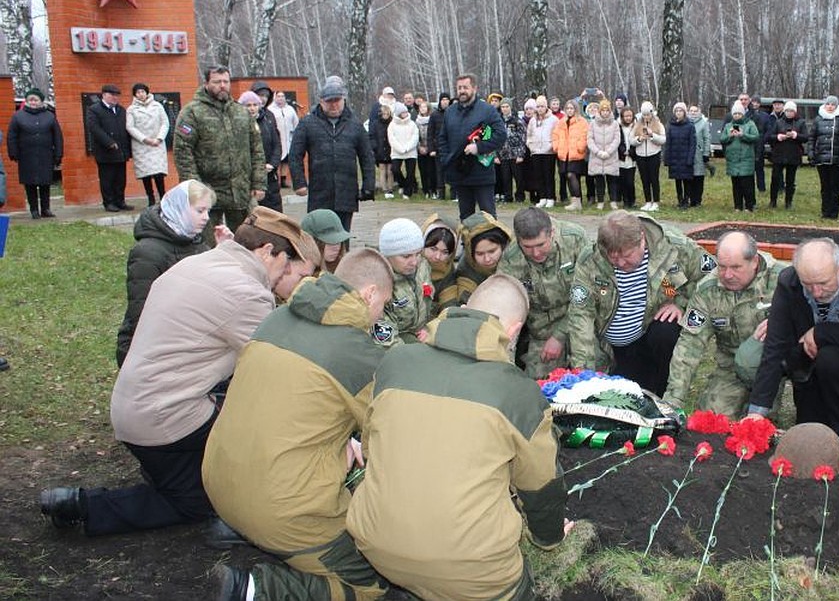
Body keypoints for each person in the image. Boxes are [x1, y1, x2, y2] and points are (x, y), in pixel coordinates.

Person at [39, 208, 319, 536]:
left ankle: (158, 475)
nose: (296, 285)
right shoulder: (247, 292)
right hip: (163, 420)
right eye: (296, 274)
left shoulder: (199, 263)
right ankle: (86, 507)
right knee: (203, 497)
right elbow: (280, 374)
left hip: (135, 406)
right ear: (268, 253)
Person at [346, 274, 569, 601]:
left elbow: (370, 445)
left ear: (464, 309)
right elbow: (539, 485)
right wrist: (549, 537)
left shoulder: (396, 361)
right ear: (513, 330)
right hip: (471, 566)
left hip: (374, 542)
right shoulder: (518, 392)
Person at [204, 249, 394, 601]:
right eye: (382, 303)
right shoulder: (357, 351)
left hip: (218, 483)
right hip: (283, 510)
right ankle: (260, 589)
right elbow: (395, 433)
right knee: (377, 583)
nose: (380, 315)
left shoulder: (274, 320)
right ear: (369, 294)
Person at [747, 238, 839, 454]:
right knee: (809, 439)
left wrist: (824, 332)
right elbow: (775, 346)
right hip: (805, 365)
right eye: (808, 284)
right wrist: (757, 412)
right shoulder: (789, 281)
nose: (816, 292)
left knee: (831, 357)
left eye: (823, 283)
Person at [567, 210, 715, 394]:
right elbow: (580, 316)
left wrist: (681, 303)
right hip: (611, 347)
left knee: (665, 332)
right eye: (613, 257)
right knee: (623, 393)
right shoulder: (591, 259)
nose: (621, 263)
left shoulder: (675, 247)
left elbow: (712, 277)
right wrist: (584, 375)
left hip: (651, 334)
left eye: (627, 255)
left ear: (642, 239)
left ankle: (665, 385)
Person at [664, 231, 788, 416]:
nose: (727, 275)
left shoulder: (783, 280)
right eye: (722, 266)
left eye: (736, 267)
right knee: (712, 420)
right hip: (731, 366)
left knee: (758, 427)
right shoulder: (707, 290)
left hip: (773, 363)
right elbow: (689, 345)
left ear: (754, 261)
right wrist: (673, 401)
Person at [116, 180, 222, 367]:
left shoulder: (197, 244)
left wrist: (223, 252)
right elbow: (140, 312)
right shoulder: (147, 252)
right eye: (200, 211)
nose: (206, 217)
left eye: (208, 211)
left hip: (186, 340)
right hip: (151, 349)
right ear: (178, 208)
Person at [497, 206, 591, 379]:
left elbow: (588, 297)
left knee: (590, 375)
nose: (536, 253)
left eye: (541, 244)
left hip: (582, 320)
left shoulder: (575, 239)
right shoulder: (510, 259)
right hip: (542, 331)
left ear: (552, 232)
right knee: (537, 387)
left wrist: (560, 336)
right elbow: (504, 306)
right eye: (528, 247)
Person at [175, 66, 266, 244]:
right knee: (209, 244)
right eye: (217, 82)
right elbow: (182, 151)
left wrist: (259, 182)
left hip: (240, 190)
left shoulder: (241, 112)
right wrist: (194, 187)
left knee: (248, 241)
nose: (222, 86)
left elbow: (256, 149)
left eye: (226, 81)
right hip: (208, 190)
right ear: (207, 83)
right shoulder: (192, 112)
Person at [290, 76, 374, 232]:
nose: (334, 105)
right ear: (321, 102)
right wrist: (299, 182)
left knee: (343, 236)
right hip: (319, 191)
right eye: (329, 101)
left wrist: (368, 186)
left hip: (346, 192)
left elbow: (367, 157)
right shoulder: (307, 123)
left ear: (344, 100)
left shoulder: (355, 124)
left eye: (337, 100)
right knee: (320, 236)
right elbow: (295, 155)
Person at [439, 73, 507, 220]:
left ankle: (492, 242)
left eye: (465, 87)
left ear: (474, 88)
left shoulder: (487, 110)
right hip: (459, 173)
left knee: (488, 216)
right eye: (459, 88)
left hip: (482, 173)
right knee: (465, 216)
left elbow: (501, 134)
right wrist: (446, 158)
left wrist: (479, 147)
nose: (462, 91)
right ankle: (467, 243)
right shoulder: (450, 112)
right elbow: (442, 138)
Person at [373, 217, 434, 346]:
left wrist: (432, 328)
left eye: (418, 254)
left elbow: (430, 304)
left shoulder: (423, 267)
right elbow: (388, 343)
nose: (414, 262)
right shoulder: (378, 286)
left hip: (422, 334)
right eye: (406, 256)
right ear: (387, 255)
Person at [6, 88, 63, 219]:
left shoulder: (49, 116)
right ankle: (34, 210)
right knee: (30, 183)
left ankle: (45, 208)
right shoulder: (18, 116)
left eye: (35, 100)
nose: (33, 102)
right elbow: (12, 136)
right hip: (26, 155)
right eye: (30, 99)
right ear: (26, 101)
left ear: (41, 101)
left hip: (45, 154)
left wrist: (58, 153)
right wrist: (13, 152)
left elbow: (57, 136)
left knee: (45, 182)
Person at [86, 84, 134, 213]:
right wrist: (109, 142)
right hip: (105, 152)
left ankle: (120, 201)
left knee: (120, 178)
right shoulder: (94, 109)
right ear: (104, 95)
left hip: (121, 150)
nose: (114, 98)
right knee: (107, 178)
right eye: (112, 95)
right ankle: (109, 202)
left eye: (117, 95)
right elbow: (94, 128)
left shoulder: (121, 110)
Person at [453, 211, 514, 305]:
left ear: (503, 245)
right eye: (480, 254)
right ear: (470, 252)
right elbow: (466, 303)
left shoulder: (516, 257)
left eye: (492, 251)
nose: (487, 259)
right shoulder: (465, 270)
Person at [238, 91, 284, 212]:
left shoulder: (267, 122)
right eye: (248, 105)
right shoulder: (237, 127)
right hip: (248, 179)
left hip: (269, 177)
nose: (252, 108)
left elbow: (277, 145)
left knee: (274, 215)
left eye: (255, 105)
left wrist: (273, 164)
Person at [125, 83, 170, 206]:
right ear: (135, 94)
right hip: (142, 145)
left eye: (143, 92)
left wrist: (159, 138)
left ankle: (162, 196)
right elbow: (130, 127)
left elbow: (165, 123)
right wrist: (145, 139)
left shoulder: (157, 106)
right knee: (146, 174)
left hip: (157, 144)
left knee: (158, 173)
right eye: (138, 92)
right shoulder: (131, 109)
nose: (141, 94)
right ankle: (150, 198)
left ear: (147, 92)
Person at [809, 96, 839, 219]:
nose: (830, 107)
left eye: (833, 105)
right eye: (828, 104)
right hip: (821, 158)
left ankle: (834, 213)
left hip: (836, 159)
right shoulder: (818, 119)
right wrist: (812, 154)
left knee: (835, 187)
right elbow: (812, 138)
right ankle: (825, 211)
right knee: (824, 186)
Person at [767, 100, 806, 210]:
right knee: (775, 179)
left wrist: (796, 135)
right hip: (779, 154)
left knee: (790, 180)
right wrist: (778, 137)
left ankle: (788, 202)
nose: (789, 113)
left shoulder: (801, 122)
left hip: (793, 155)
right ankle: (772, 201)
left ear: (795, 112)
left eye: (791, 111)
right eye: (787, 111)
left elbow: (806, 137)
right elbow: (770, 137)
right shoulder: (778, 122)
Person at [551, 98, 588, 211]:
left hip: (576, 153)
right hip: (564, 153)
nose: (569, 110)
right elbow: (555, 135)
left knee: (572, 175)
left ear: (576, 109)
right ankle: (575, 200)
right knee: (567, 176)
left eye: (572, 108)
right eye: (567, 108)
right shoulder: (561, 122)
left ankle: (577, 200)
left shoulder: (582, 122)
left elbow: (585, 135)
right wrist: (556, 147)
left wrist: (580, 147)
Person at [721, 101, 759, 212]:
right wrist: (730, 136)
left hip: (746, 159)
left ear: (743, 114)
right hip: (733, 159)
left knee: (747, 184)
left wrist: (743, 135)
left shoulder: (750, 124)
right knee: (736, 184)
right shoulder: (728, 126)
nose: (737, 116)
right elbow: (722, 139)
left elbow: (756, 137)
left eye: (739, 114)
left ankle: (749, 206)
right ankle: (737, 206)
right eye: (735, 114)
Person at [586, 99, 621, 210]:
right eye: (603, 110)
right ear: (599, 111)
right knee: (599, 181)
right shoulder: (593, 123)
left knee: (612, 181)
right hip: (597, 156)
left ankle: (613, 201)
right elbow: (590, 139)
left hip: (611, 156)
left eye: (607, 110)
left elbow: (617, 139)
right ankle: (600, 201)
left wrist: (609, 152)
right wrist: (598, 152)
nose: (605, 112)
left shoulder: (615, 124)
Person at [422, 214, 460, 313]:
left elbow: (449, 304)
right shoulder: (408, 264)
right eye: (433, 249)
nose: (438, 257)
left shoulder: (448, 271)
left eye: (445, 252)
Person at [663, 102, 698, 210]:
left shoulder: (690, 126)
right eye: (676, 111)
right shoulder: (671, 126)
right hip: (674, 157)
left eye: (680, 111)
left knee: (686, 180)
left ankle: (686, 200)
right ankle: (679, 199)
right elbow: (668, 143)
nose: (678, 113)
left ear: (684, 112)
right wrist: (666, 158)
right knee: (677, 180)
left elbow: (693, 144)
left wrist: (690, 158)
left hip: (685, 157)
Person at [632, 102, 666, 211]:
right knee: (644, 179)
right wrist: (639, 139)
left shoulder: (658, 124)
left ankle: (656, 202)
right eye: (644, 115)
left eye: (648, 114)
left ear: (652, 114)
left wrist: (652, 135)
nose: (646, 117)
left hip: (654, 155)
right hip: (641, 155)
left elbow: (663, 139)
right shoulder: (637, 124)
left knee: (654, 179)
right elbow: (631, 140)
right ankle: (647, 201)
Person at [526, 95, 559, 208]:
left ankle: (551, 197)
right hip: (536, 151)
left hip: (548, 152)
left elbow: (557, 134)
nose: (540, 109)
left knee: (548, 175)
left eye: (542, 106)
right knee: (538, 176)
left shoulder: (553, 119)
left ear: (546, 107)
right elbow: (529, 135)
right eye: (538, 106)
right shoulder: (532, 120)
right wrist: (531, 146)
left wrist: (552, 146)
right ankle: (542, 197)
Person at [300, 208, 351, 273]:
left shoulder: (345, 270)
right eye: (330, 242)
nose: (337, 248)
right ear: (312, 243)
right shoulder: (299, 276)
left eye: (339, 241)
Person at [267, 89, 300, 189]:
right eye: (278, 96)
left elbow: (296, 122)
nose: (281, 98)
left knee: (286, 161)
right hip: (276, 139)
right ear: (275, 98)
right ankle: (275, 180)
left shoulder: (290, 109)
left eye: (282, 96)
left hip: (288, 139)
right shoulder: (270, 109)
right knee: (276, 160)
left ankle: (284, 181)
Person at [369, 86, 398, 197]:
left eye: (391, 95)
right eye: (388, 94)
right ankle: (384, 188)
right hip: (380, 148)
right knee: (382, 170)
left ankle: (390, 188)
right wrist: (374, 146)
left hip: (390, 147)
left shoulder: (394, 115)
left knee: (390, 170)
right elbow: (372, 133)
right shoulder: (376, 108)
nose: (390, 96)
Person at [497, 99, 527, 204]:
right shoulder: (497, 122)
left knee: (518, 177)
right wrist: (496, 155)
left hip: (515, 154)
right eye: (503, 107)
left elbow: (523, 138)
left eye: (507, 106)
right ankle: (507, 197)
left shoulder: (517, 121)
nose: (505, 109)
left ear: (510, 107)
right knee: (505, 178)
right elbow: (494, 139)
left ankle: (520, 197)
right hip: (503, 154)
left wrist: (521, 154)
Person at [388, 103, 419, 200]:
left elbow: (415, 137)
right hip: (397, 152)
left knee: (410, 173)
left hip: (410, 152)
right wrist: (400, 149)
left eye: (406, 112)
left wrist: (407, 148)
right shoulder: (392, 125)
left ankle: (408, 192)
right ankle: (403, 184)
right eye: (403, 112)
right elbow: (392, 139)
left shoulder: (412, 124)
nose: (405, 113)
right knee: (395, 169)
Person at [427, 92, 451, 200]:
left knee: (452, 170)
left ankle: (454, 194)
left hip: (451, 148)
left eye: (447, 99)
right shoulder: (434, 115)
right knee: (439, 171)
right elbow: (430, 133)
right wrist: (431, 148)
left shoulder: (453, 113)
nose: (445, 102)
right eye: (443, 99)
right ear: (440, 101)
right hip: (439, 148)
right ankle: (440, 193)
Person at [688, 104, 712, 208]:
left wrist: (706, 153)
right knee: (690, 178)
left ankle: (697, 200)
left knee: (699, 178)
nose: (693, 113)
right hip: (688, 154)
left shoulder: (703, 123)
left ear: (699, 112)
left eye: (695, 111)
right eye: (691, 111)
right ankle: (690, 199)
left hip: (700, 154)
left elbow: (707, 138)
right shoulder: (686, 122)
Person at [617, 107, 639, 209]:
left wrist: (630, 152)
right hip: (621, 158)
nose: (628, 118)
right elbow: (618, 140)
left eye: (630, 116)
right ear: (622, 117)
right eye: (626, 116)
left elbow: (637, 140)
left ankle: (632, 200)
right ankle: (625, 200)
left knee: (630, 181)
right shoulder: (618, 126)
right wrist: (622, 150)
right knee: (622, 181)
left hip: (632, 158)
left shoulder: (636, 126)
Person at [415, 100, 437, 198]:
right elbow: (415, 136)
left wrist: (430, 147)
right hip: (421, 149)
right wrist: (419, 147)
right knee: (423, 171)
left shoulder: (432, 119)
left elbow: (433, 134)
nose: (423, 109)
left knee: (432, 170)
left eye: (425, 107)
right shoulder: (416, 121)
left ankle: (434, 190)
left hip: (431, 148)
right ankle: (426, 190)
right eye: (421, 107)